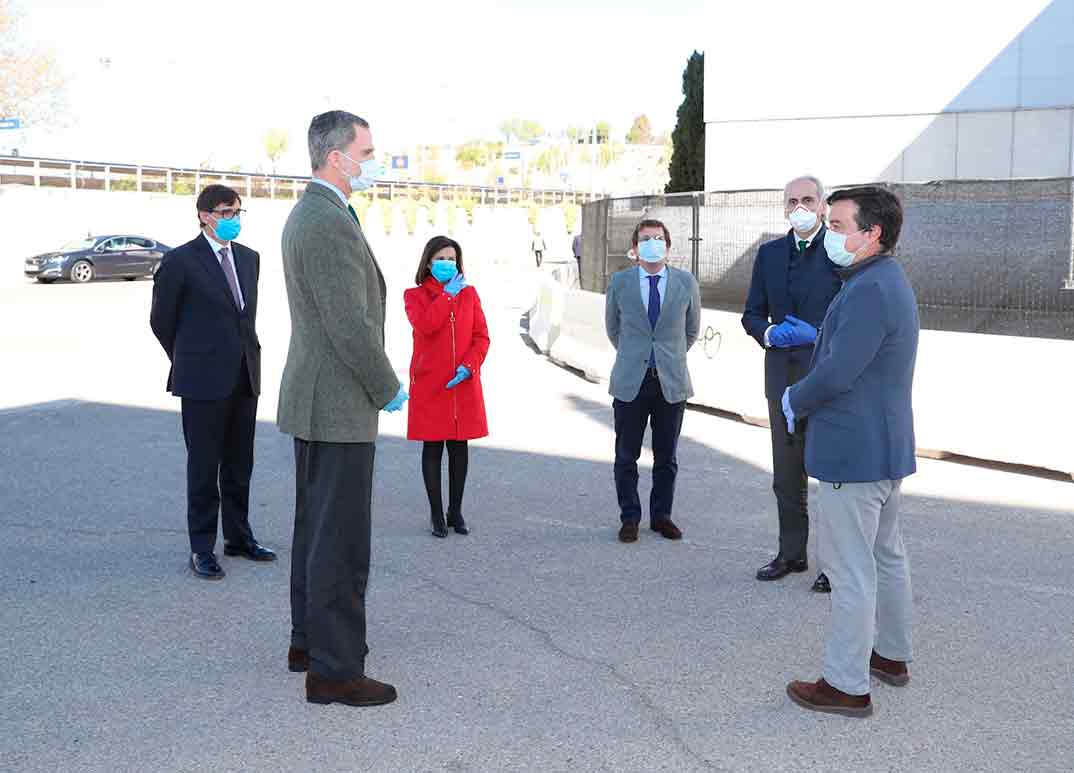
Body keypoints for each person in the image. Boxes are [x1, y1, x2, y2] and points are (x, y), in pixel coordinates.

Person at [278, 110, 407, 708]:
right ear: (337, 157)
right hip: (337, 401)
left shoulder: (318, 212)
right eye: (368, 151)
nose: (373, 161)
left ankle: (308, 641)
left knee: (316, 530)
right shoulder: (324, 220)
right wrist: (386, 386)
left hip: (319, 399)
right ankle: (334, 669)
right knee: (340, 541)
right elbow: (348, 325)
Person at [782, 186, 918, 718]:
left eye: (837, 225)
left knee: (850, 568)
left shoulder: (868, 289)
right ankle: (890, 655)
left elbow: (839, 371)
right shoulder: (882, 280)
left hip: (852, 451)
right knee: (886, 557)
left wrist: (795, 397)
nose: (828, 231)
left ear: (872, 234)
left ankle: (845, 684)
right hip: (881, 447)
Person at [150, 184, 275, 580]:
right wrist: (190, 357)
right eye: (225, 212)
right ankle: (201, 548)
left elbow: (244, 318)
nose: (233, 218)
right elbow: (161, 320)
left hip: (244, 375)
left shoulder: (250, 258)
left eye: (238, 211)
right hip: (202, 379)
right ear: (204, 215)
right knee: (204, 466)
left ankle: (239, 538)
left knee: (240, 464)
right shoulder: (180, 261)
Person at [742, 175, 842, 593]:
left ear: (822, 206)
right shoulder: (769, 255)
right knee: (786, 473)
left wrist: (818, 334)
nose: (800, 207)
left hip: (828, 376)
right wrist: (767, 333)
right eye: (792, 201)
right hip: (781, 378)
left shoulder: (839, 252)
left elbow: (852, 313)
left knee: (833, 474)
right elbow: (751, 313)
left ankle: (835, 565)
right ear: (784, 208)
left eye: (808, 200)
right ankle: (791, 553)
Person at [604, 219, 701, 543]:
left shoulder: (686, 283)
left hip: (670, 382)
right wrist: (638, 355)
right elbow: (613, 329)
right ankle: (629, 517)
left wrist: (666, 357)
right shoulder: (620, 282)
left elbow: (691, 331)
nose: (652, 243)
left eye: (658, 239)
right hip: (632, 380)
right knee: (626, 455)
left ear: (668, 247)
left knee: (666, 456)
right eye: (645, 239)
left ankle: (662, 516)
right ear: (635, 248)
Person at [404, 236, 490, 538]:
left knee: (459, 447)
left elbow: (482, 337)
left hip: (463, 383)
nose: (447, 264)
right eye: (441, 259)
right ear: (428, 262)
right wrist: (447, 297)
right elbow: (427, 326)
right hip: (431, 384)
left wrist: (470, 364)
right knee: (432, 446)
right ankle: (436, 514)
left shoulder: (471, 294)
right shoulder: (413, 296)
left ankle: (456, 510)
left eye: (452, 259)